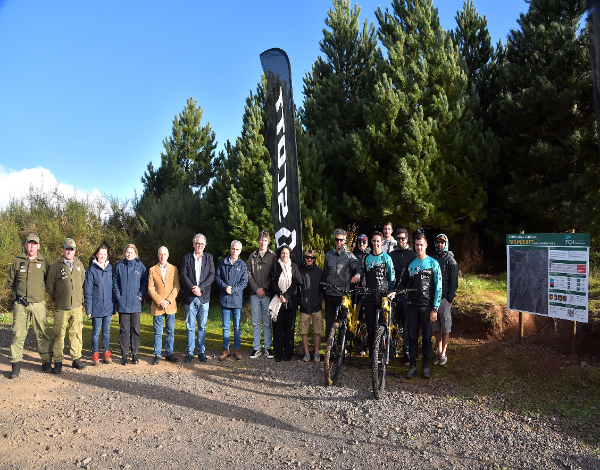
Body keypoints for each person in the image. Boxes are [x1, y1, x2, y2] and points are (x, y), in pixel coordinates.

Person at [6, 233, 52, 378]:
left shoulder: (44, 262)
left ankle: (46, 362)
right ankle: (15, 365)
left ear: (38, 246)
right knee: (18, 333)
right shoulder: (17, 261)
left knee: (42, 333)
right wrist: (16, 296)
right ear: (25, 245)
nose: (31, 246)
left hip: (39, 303)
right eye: (29, 243)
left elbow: (49, 282)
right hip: (21, 304)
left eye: (34, 244)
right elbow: (10, 282)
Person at [397, 232, 441, 379]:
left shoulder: (433, 263)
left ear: (426, 245)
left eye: (421, 245)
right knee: (412, 337)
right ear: (414, 246)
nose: (419, 248)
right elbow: (402, 282)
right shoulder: (410, 264)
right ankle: (413, 366)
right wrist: (394, 293)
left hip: (427, 307)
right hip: (412, 306)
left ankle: (426, 366)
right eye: (416, 245)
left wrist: (435, 308)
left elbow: (439, 287)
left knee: (427, 337)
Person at [47, 238, 87, 374]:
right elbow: (49, 287)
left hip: (76, 306)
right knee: (59, 334)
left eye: (71, 249)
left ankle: (76, 359)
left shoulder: (80, 265)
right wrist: (59, 298)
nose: (69, 251)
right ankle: (58, 361)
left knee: (76, 333)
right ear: (63, 250)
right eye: (67, 249)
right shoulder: (55, 266)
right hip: (61, 307)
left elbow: (82, 281)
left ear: (75, 250)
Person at [180, 233, 215, 363]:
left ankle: (201, 351)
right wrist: (192, 288)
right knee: (190, 326)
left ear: (204, 245)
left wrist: (200, 288)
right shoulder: (187, 257)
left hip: (203, 297)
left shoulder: (209, 258)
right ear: (194, 244)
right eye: (197, 243)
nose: (199, 245)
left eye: (202, 244)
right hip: (190, 296)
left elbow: (211, 275)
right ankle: (190, 352)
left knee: (202, 326)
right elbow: (183, 274)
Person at [322, 228, 362, 338]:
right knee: (329, 324)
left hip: (343, 295)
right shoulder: (328, 255)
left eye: (341, 240)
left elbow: (359, 268)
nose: (338, 242)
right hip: (330, 294)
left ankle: (341, 346)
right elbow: (325, 272)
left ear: (344, 241)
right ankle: (330, 346)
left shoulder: (350, 256)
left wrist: (356, 276)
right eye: (336, 239)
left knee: (343, 324)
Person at [363, 232, 395, 363]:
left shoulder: (387, 258)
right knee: (370, 327)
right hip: (370, 296)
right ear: (371, 241)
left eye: (378, 241)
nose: (376, 244)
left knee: (384, 326)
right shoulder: (367, 258)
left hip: (383, 297)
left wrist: (389, 292)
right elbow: (366, 276)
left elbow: (392, 278)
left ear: (382, 242)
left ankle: (385, 353)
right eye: (374, 241)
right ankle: (372, 356)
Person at [113, 243, 148, 365]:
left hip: (135, 304)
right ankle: (124, 354)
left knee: (135, 330)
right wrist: (118, 296)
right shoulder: (119, 266)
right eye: (127, 252)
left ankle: (135, 353)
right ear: (124, 253)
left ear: (135, 254)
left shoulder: (140, 266)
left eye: (132, 252)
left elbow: (145, 281)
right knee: (124, 330)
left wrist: (140, 294)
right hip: (123, 304)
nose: (129, 254)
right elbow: (115, 282)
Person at [268, 245, 302, 362]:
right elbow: (272, 282)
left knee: (289, 329)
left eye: (287, 253)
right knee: (277, 330)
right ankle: (278, 353)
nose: (285, 255)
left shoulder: (294, 267)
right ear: (280, 254)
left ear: (290, 254)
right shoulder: (275, 266)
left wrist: (286, 296)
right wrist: (280, 294)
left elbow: (295, 284)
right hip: (277, 301)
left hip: (290, 302)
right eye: (283, 253)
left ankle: (288, 353)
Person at [216, 240, 248, 361]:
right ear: (230, 249)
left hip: (237, 300)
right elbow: (217, 278)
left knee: (237, 327)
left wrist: (233, 289)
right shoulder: (222, 263)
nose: (234, 251)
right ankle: (226, 349)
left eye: (237, 249)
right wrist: (225, 287)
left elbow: (244, 282)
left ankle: (237, 350)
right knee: (225, 326)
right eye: (233, 249)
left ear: (240, 251)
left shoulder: (242, 265)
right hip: (225, 299)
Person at [83, 243, 115, 366]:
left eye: (104, 254)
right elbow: (88, 291)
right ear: (96, 255)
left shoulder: (111, 269)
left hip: (108, 307)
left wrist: (113, 307)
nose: (102, 256)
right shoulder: (91, 270)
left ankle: (106, 353)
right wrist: (88, 309)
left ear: (107, 256)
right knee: (96, 332)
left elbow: (114, 288)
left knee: (106, 332)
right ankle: (95, 354)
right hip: (96, 307)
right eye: (100, 254)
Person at [148, 246, 180, 365]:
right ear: (158, 255)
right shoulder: (152, 270)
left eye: (164, 254)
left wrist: (168, 300)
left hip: (170, 305)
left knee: (170, 331)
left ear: (168, 255)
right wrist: (160, 301)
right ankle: (157, 354)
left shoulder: (174, 269)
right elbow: (150, 288)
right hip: (158, 306)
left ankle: (169, 353)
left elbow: (176, 287)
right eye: (161, 254)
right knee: (158, 332)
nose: (163, 256)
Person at [247, 230, 276, 359]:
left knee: (267, 323)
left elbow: (274, 275)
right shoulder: (252, 256)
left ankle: (268, 348)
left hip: (267, 294)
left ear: (268, 242)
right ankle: (257, 348)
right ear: (258, 241)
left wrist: (264, 288)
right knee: (256, 322)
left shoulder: (273, 256)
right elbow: (248, 275)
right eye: (261, 240)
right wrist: (257, 289)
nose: (263, 242)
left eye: (265, 240)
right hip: (255, 294)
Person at [390, 228, 417, 365]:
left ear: (407, 239)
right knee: (392, 324)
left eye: (403, 238)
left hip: (406, 295)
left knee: (406, 326)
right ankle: (392, 350)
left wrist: (410, 293)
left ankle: (406, 352)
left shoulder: (412, 255)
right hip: (392, 294)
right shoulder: (391, 255)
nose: (400, 240)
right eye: (398, 238)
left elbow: (414, 276)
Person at [431, 234, 458, 366]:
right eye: (438, 242)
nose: (439, 244)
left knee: (446, 327)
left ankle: (444, 354)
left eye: (442, 242)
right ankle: (439, 351)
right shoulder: (433, 258)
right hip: (434, 299)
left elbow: (454, 282)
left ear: (446, 243)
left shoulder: (451, 260)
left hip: (445, 299)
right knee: (436, 327)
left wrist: (449, 299)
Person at [298, 249, 324, 362]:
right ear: (305, 258)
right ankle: (307, 353)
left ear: (314, 259)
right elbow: (297, 288)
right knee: (304, 332)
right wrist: (300, 301)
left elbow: (322, 289)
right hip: (304, 308)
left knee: (317, 332)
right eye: (307, 257)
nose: (309, 259)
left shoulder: (319, 272)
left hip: (316, 308)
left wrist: (319, 301)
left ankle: (317, 353)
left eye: (312, 257)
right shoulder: (300, 272)